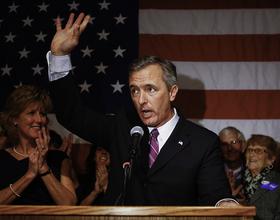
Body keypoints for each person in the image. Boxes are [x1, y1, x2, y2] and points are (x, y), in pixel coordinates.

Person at [46, 13, 237, 206]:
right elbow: (72, 115)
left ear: (172, 92)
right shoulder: (123, 124)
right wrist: (59, 57)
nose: (141, 100)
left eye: (150, 89)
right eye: (134, 91)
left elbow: (216, 194)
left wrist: (225, 203)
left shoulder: (202, 143)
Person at [0, 85, 77, 205]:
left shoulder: (59, 158)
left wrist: (43, 168)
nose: (39, 119)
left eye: (42, 114)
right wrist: (29, 175)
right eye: (31, 113)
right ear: (14, 119)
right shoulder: (2, 158)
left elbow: (69, 204)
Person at [243, 134, 280, 219]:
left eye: (258, 151)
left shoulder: (278, 181)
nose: (252, 154)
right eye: (249, 150)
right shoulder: (237, 182)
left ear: (271, 159)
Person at [219, 126, 246, 202]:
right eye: (224, 144)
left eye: (234, 142)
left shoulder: (252, 171)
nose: (230, 148)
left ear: (243, 145)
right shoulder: (212, 172)